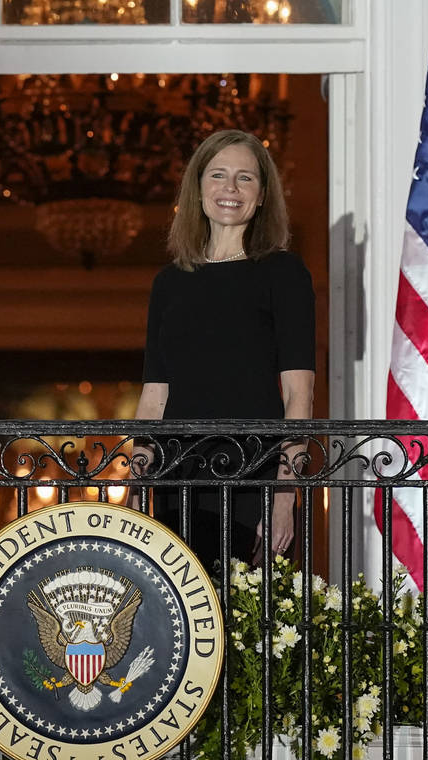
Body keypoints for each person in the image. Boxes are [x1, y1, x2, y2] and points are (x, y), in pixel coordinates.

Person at [131, 129, 315, 570]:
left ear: (263, 194)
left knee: (241, 622)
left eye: (245, 178)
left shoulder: (283, 274)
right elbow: (154, 395)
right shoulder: (169, 282)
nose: (230, 189)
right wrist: (136, 487)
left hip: (251, 477)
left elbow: (299, 396)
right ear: (197, 189)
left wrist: (285, 493)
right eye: (218, 175)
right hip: (175, 478)